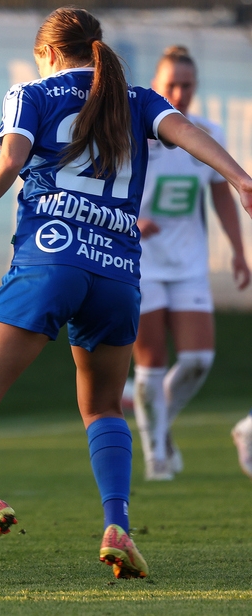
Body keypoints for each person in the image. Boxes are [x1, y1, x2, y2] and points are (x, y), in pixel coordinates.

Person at [0, 7, 252, 584]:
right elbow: (190, 134)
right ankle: (117, 526)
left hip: (51, 261)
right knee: (102, 407)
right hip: (119, 275)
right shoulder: (138, 97)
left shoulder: (32, 93)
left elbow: (11, 160)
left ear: (47, 53)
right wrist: (240, 176)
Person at [130, 46, 250, 481]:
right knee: (152, 362)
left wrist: (238, 250)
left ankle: (157, 421)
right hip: (139, 263)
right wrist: (129, 220)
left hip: (188, 264)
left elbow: (221, 190)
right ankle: (156, 455)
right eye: (171, 84)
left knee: (198, 358)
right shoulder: (134, 132)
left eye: (187, 84)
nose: (179, 92)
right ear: (156, 87)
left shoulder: (206, 132)